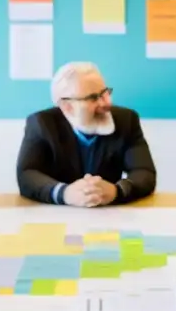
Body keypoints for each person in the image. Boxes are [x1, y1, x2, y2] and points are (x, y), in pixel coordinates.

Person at [16, 62, 156, 206]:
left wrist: (116, 190)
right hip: (57, 215)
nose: (105, 103)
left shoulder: (126, 120)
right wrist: (65, 193)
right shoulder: (41, 123)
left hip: (108, 214)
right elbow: (27, 174)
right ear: (67, 106)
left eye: (105, 92)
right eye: (93, 98)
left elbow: (144, 172)